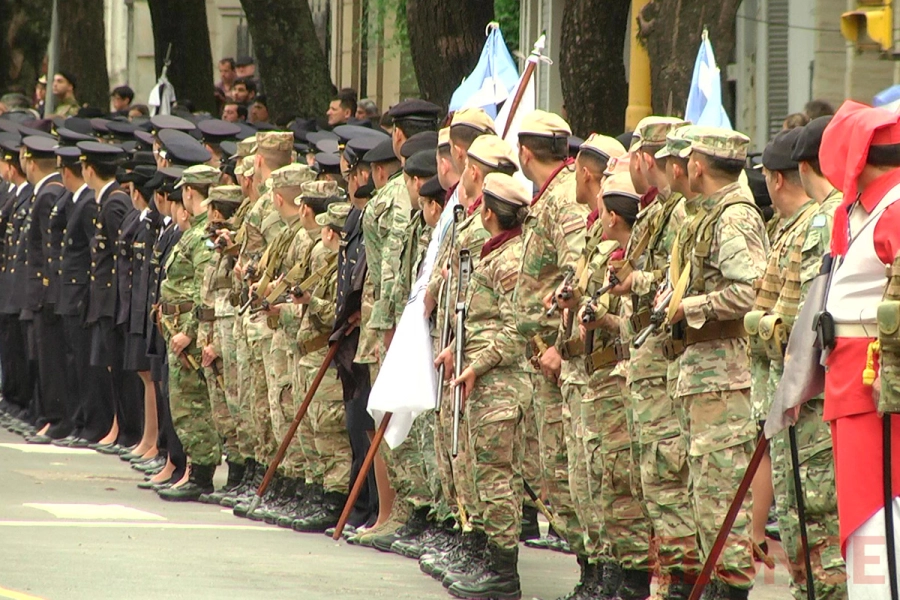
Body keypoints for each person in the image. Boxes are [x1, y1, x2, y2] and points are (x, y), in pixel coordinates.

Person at [669, 126, 768, 600]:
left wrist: (693, 306)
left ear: (697, 166)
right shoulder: (709, 214)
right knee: (705, 496)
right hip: (704, 375)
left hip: (723, 378)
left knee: (722, 496)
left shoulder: (733, 217)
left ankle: (729, 590)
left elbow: (751, 291)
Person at [434, 171, 531, 600]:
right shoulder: (495, 254)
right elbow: (481, 321)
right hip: (485, 381)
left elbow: (516, 329)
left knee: (496, 479)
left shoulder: (509, 261)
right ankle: (492, 560)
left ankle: (504, 573)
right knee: (484, 475)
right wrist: (456, 348)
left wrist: (477, 364)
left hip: (502, 384)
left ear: (489, 213)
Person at [818, 101, 900, 600]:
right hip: (852, 377)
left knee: (878, 512)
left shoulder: (895, 207)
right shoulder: (862, 210)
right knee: (865, 512)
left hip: (878, 380)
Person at [764, 117, 847, 600]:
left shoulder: (826, 219)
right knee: (802, 521)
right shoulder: (825, 216)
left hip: (811, 398)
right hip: (804, 394)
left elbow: (804, 321)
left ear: (800, 168)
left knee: (816, 521)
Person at [155, 165, 220, 502]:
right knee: (182, 403)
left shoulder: (204, 233)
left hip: (188, 333)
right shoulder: (195, 231)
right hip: (176, 328)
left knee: (192, 405)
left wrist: (191, 332)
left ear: (189, 192)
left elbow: (204, 289)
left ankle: (201, 474)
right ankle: (193, 471)